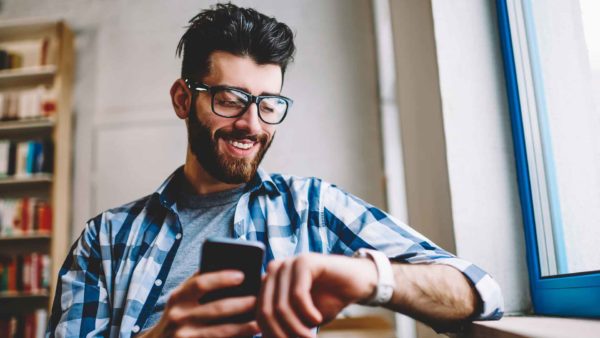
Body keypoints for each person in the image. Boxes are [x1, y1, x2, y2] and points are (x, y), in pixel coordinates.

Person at [47, 3, 503, 338]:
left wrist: (371, 278)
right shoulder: (104, 239)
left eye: (269, 104)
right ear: (183, 99)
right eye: (230, 100)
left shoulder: (314, 207)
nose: (251, 124)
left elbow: (478, 291)